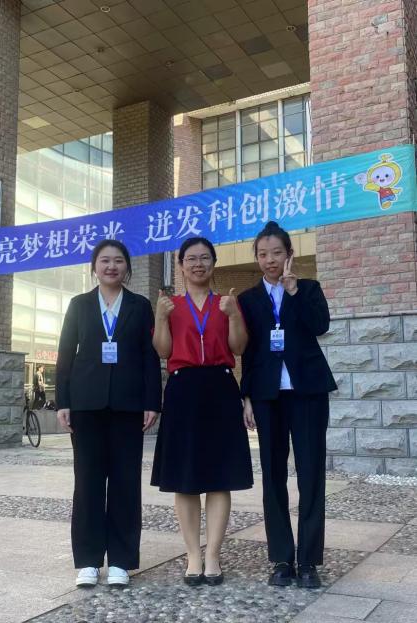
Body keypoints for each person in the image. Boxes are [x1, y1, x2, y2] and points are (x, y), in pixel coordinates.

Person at [56, 239, 162, 589]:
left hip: (128, 406)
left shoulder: (139, 305)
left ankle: (120, 560)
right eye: (105, 261)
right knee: (87, 483)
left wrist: (152, 401)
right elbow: (65, 354)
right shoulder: (80, 304)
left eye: (118, 261)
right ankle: (87, 561)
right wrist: (63, 401)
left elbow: (149, 356)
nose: (111, 266)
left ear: (127, 267)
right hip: (86, 406)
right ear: (94, 267)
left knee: (125, 483)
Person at [238, 221, 337, 590]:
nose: (270, 260)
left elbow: (320, 325)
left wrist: (294, 292)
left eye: (276, 253)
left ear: (289, 254)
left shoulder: (308, 288)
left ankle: (308, 561)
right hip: (268, 396)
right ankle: (282, 558)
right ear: (257, 258)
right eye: (263, 254)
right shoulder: (248, 299)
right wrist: (247, 397)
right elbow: (247, 352)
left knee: (311, 473)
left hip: (307, 392)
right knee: (272, 475)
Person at [151, 237, 253, 587]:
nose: (198, 264)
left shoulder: (226, 303)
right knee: (185, 476)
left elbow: (239, 347)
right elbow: (163, 351)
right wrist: (160, 318)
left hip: (221, 387)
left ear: (214, 263)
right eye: (191, 259)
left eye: (205, 258)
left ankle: (213, 554)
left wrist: (234, 315)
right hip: (183, 389)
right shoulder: (172, 305)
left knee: (219, 476)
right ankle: (193, 554)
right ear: (181, 265)